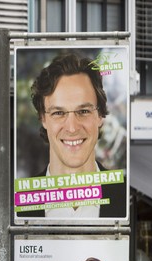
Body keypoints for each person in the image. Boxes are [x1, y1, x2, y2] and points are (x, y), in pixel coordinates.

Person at [20, 51, 125, 218]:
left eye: (83, 111)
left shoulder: (127, 198)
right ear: (43, 118)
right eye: (58, 113)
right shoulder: (17, 204)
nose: (72, 127)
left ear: (100, 116)